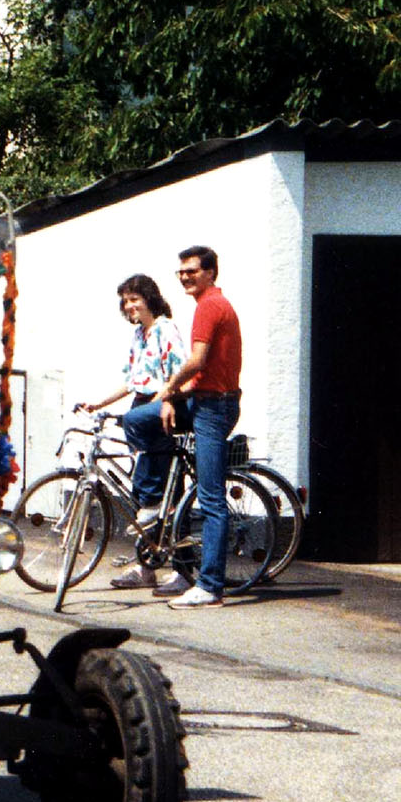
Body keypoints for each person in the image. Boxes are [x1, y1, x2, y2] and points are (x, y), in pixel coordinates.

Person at [123, 246, 244, 608]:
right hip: (201, 400)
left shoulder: (210, 306)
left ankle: (210, 587)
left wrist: (169, 391)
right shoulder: (206, 305)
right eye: (181, 272)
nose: (186, 277)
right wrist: (173, 400)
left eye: (192, 271)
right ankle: (154, 500)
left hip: (214, 407)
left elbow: (197, 361)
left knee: (211, 500)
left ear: (210, 273)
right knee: (136, 419)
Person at [83, 274, 188, 589]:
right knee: (145, 494)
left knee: (164, 494)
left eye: (134, 299)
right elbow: (131, 381)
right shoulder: (139, 336)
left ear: (149, 299)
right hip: (144, 407)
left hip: (165, 405)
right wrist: (99, 402)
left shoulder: (165, 329)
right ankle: (146, 569)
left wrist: (158, 403)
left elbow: (178, 372)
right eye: (125, 301)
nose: (129, 306)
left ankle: (184, 573)